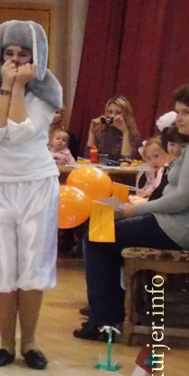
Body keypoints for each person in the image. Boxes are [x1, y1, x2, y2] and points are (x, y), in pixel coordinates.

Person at [0, 20, 62, 370]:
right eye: (9, 54)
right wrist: (7, 86)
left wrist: (19, 87)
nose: (16, 60)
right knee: (1, 266)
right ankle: (6, 343)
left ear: (37, 57)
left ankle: (30, 343)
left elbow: (21, 132)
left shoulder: (48, 91)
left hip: (36, 184)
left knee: (33, 266)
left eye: (24, 54)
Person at [73, 84, 189, 341]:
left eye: (186, 113)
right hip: (171, 223)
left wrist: (137, 209)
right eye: (178, 112)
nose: (179, 118)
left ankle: (104, 319)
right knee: (100, 227)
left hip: (178, 229)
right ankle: (109, 313)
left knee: (97, 237)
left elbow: (182, 199)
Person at [85, 95, 140, 161]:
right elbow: (88, 158)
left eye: (118, 113)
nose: (113, 116)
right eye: (110, 112)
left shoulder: (133, 135)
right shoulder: (101, 130)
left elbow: (126, 159)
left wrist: (125, 132)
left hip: (120, 167)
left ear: (126, 115)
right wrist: (92, 132)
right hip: (99, 166)